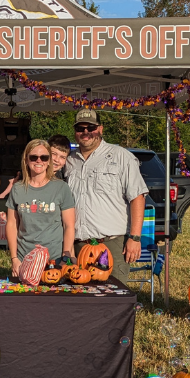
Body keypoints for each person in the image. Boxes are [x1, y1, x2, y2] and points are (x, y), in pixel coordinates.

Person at [65, 110, 147, 270]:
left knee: (115, 293)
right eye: (80, 128)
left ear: (100, 129)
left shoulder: (121, 157)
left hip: (112, 244)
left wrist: (135, 238)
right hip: (78, 246)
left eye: (91, 127)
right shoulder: (68, 161)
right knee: (79, 294)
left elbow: (137, 197)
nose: (86, 132)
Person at [5, 139, 76, 281]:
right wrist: (14, 258)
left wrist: (65, 257)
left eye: (44, 157)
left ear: (49, 161)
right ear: (26, 159)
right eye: (33, 157)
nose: (39, 161)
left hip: (54, 259)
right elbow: (12, 225)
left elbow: (69, 225)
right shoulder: (17, 189)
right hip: (25, 258)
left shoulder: (61, 188)